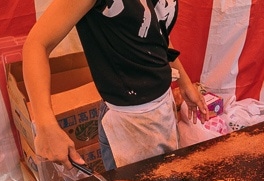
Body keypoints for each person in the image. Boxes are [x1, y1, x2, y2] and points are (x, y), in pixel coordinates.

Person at [23, 0, 208, 171]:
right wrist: (45, 125)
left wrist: (184, 82)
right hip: (130, 124)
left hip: (161, 109)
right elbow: (37, 44)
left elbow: (155, 30)